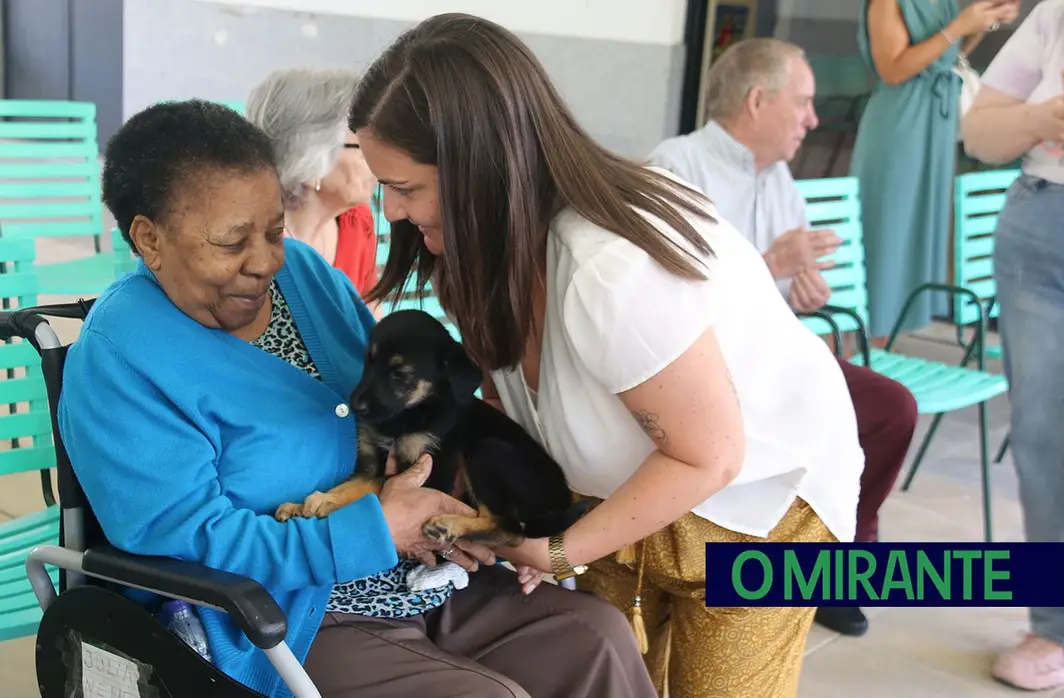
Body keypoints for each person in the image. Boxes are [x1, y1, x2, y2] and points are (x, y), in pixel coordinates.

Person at [56, 99, 654, 698]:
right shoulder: (122, 356)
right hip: (281, 619)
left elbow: (404, 413)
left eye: (273, 230)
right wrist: (374, 532)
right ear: (149, 239)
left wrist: (458, 515)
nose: (265, 261)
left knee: (595, 635)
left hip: (417, 579)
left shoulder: (308, 278)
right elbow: (182, 538)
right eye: (232, 242)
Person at [351, 13, 863, 698]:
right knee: (609, 675)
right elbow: (513, 410)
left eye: (406, 188)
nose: (389, 213)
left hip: (766, 510)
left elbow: (710, 456)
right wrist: (507, 520)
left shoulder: (607, 268)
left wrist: (556, 550)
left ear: (481, 166)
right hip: (625, 494)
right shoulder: (473, 255)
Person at [648, 37, 919, 638]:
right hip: (704, 374)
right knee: (840, 414)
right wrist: (773, 264)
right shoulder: (676, 166)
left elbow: (779, 292)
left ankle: (833, 565)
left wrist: (799, 292)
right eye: (803, 103)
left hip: (769, 363)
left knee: (890, 408)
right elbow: (664, 298)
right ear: (756, 101)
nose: (814, 120)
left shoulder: (777, 178)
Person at [961, 0, 1064, 689]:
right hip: (1040, 227)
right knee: (1044, 436)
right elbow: (980, 133)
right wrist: (1043, 118)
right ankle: (1052, 624)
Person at [850, 0, 1018, 340]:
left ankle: (887, 348)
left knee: (915, 235)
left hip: (935, 122)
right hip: (901, 121)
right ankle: (866, 350)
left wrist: (982, 22)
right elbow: (893, 69)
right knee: (887, 232)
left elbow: (945, 56)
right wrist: (958, 25)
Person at [246, 68, 380, 301]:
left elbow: (372, 321)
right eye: (362, 146)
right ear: (310, 159)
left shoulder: (357, 223)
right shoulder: (250, 250)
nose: (377, 158)